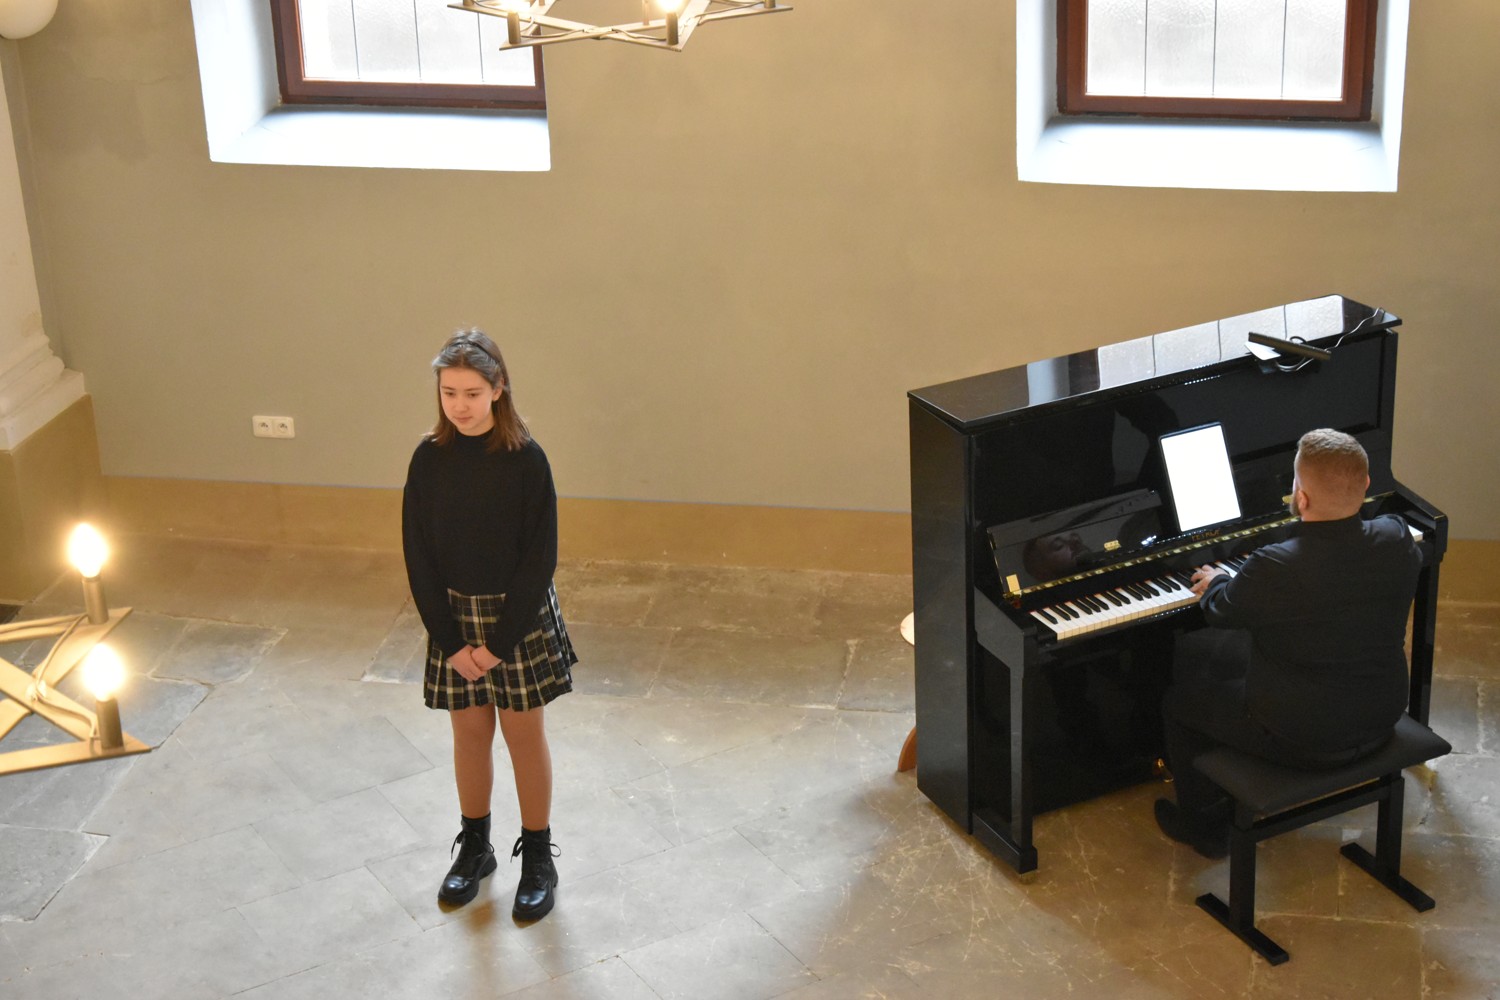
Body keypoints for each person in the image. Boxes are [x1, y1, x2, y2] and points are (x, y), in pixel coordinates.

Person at [1154, 428, 1421, 858]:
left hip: (1302, 739)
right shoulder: (1397, 536)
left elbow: (1220, 611)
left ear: (1301, 497)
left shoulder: (1276, 565)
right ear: (1367, 484)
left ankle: (1204, 827)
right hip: (1381, 714)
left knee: (1178, 700)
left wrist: (1218, 580)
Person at [401, 328, 577, 919]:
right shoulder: (429, 458)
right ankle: (475, 847)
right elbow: (418, 554)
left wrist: (498, 645)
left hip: (515, 619)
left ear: (498, 389)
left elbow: (539, 559)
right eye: (449, 392)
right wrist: (451, 642)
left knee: (524, 738)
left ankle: (538, 857)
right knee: (470, 735)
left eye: (473, 393)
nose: (460, 404)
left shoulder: (526, 460)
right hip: (455, 619)